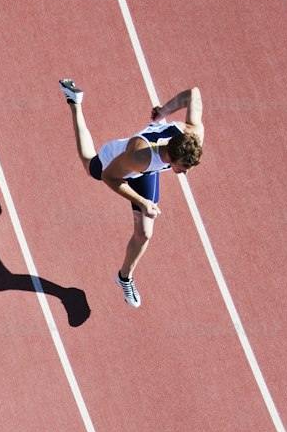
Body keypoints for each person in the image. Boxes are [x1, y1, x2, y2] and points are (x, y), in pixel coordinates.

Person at [60, 79, 204, 308]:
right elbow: (110, 177)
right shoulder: (139, 157)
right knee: (89, 164)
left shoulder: (194, 134)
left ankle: (123, 277)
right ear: (171, 158)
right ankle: (75, 103)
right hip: (118, 161)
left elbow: (193, 94)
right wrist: (142, 202)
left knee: (145, 233)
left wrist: (163, 111)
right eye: (182, 169)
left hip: (147, 169)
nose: (185, 174)